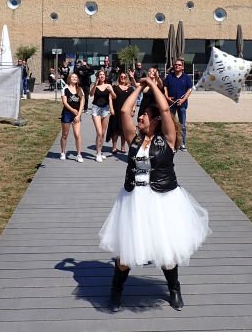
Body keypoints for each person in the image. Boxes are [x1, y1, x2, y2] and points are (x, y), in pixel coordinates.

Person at [99, 76, 210, 313]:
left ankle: (174, 290)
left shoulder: (168, 140)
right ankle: (116, 291)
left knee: (166, 252)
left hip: (162, 200)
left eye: (144, 116)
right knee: (126, 255)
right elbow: (124, 111)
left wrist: (152, 85)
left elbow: (166, 110)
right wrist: (140, 86)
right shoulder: (134, 139)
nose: (139, 118)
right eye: (140, 116)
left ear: (156, 120)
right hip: (134, 200)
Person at [164, 59, 193, 151]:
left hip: (182, 105)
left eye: (179, 65)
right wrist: (167, 97)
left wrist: (183, 100)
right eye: (176, 64)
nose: (177, 66)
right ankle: (171, 142)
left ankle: (182, 144)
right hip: (171, 104)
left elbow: (189, 90)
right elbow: (165, 87)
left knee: (182, 125)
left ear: (182, 67)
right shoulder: (169, 77)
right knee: (170, 124)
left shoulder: (186, 77)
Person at [90, 70, 116, 162]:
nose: (102, 76)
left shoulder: (108, 85)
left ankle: (100, 151)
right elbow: (91, 94)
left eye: (103, 75)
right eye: (100, 75)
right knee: (99, 132)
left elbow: (114, 97)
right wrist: (95, 84)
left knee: (103, 133)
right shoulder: (95, 85)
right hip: (96, 109)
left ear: (105, 76)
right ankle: (98, 154)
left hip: (105, 109)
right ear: (97, 76)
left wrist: (111, 91)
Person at [106, 72, 134, 156]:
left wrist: (133, 110)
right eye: (121, 77)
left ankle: (123, 147)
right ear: (119, 78)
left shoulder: (130, 89)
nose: (123, 78)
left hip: (126, 112)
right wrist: (111, 109)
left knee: (124, 131)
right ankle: (114, 147)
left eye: (124, 77)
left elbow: (134, 100)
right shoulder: (115, 87)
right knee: (115, 130)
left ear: (127, 78)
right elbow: (110, 98)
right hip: (116, 110)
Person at [59, 73, 85, 162]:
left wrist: (78, 114)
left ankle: (79, 154)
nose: (74, 78)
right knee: (65, 134)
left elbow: (82, 102)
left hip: (77, 114)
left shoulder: (80, 89)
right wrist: (72, 110)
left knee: (77, 134)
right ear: (69, 79)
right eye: (73, 77)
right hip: (67, 113)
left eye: (76, 77)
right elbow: (65, 102)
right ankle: (63, 152)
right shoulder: (65, 89)